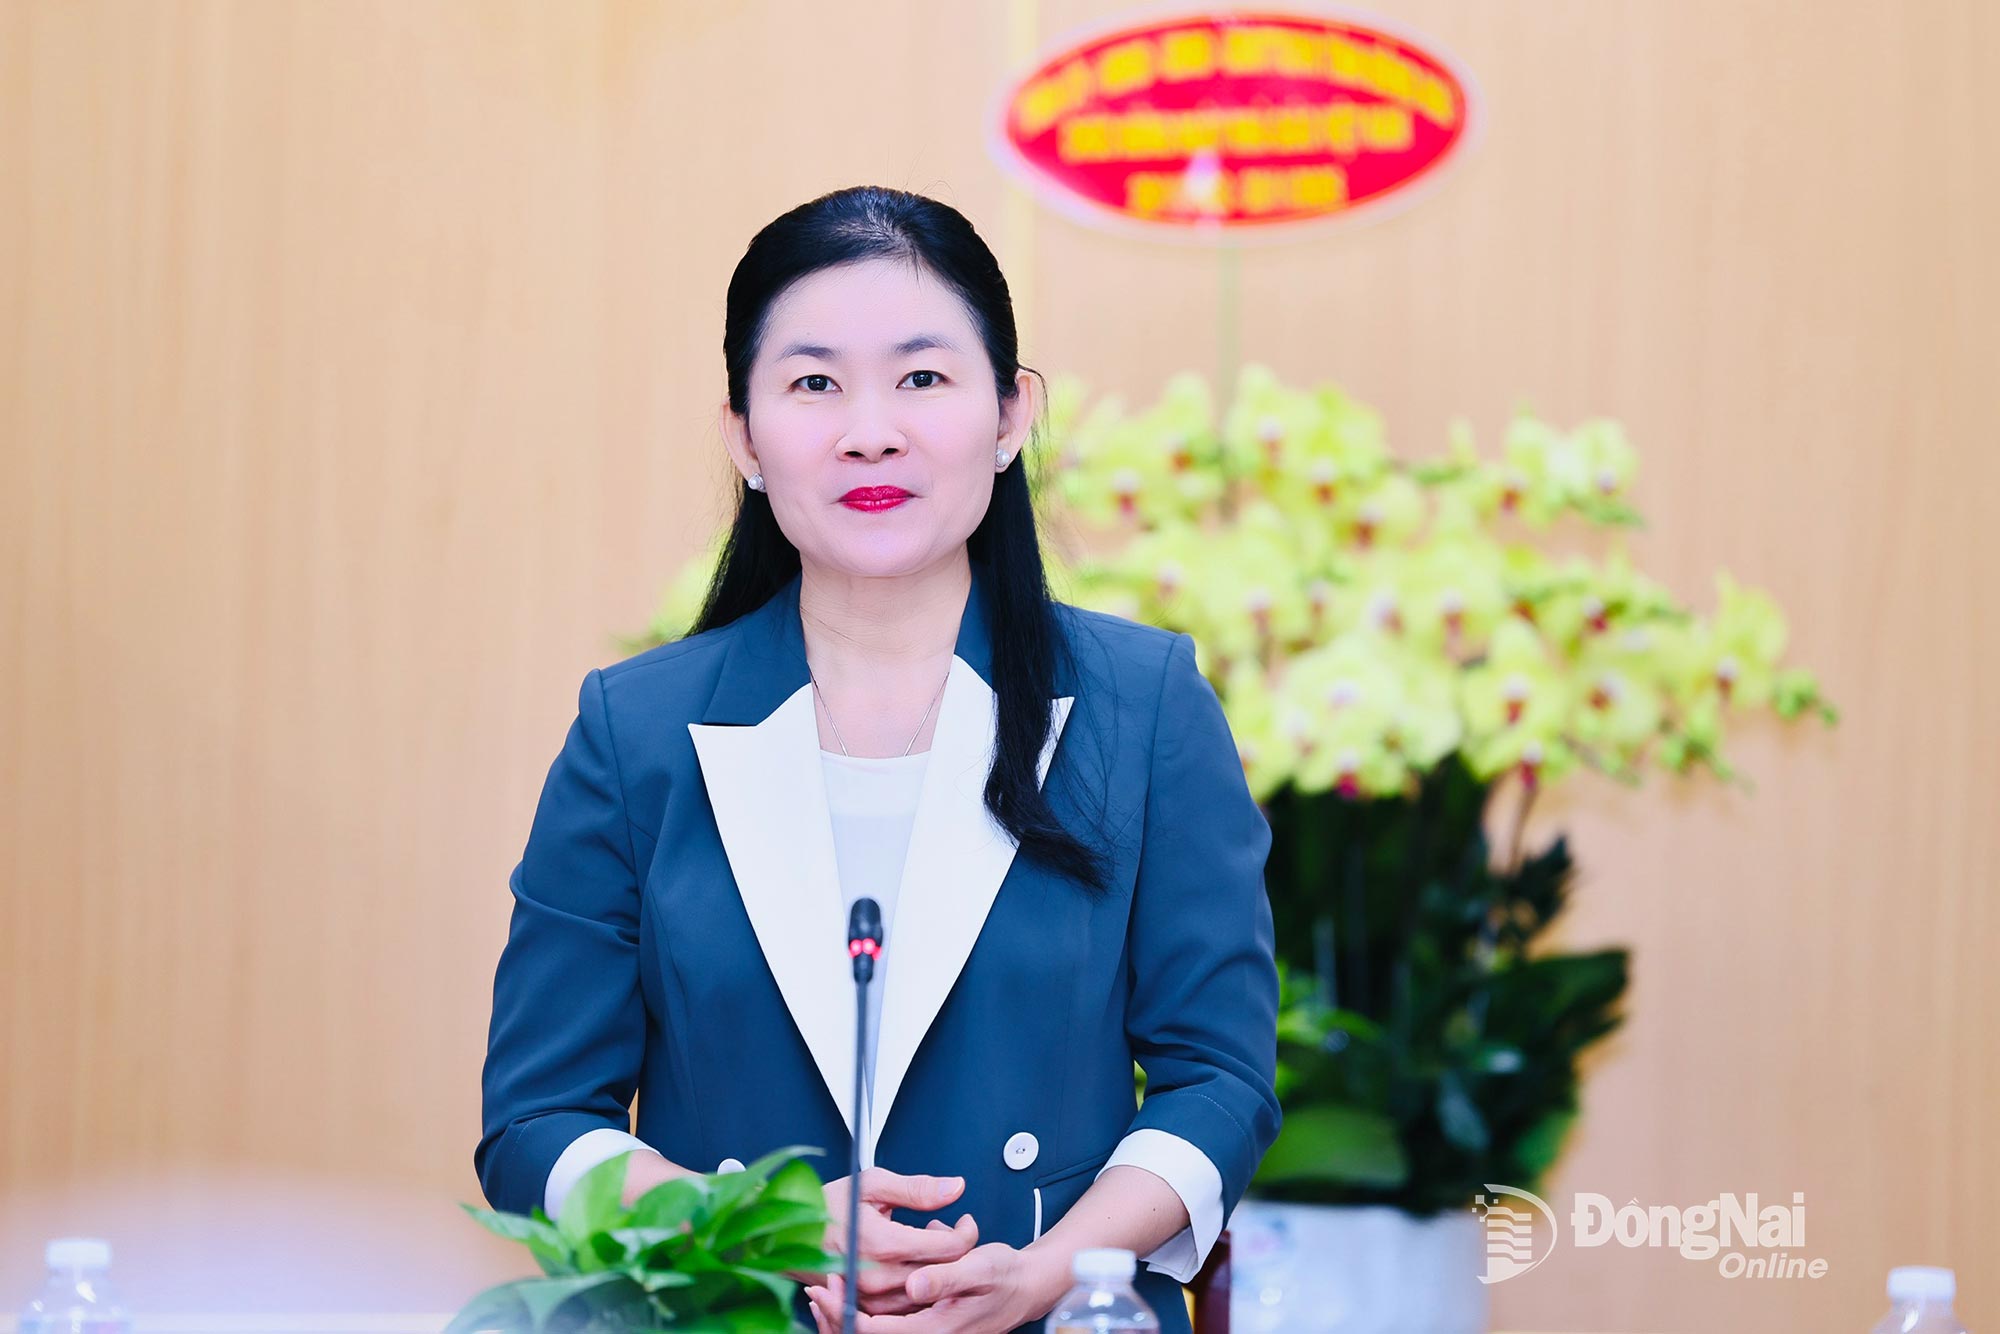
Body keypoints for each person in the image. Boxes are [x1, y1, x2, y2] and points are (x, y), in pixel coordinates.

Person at [476, 186, 1280, 1334]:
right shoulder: (635, 731)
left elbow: (1220, 1080)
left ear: (1009, 415)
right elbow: (538, 1121)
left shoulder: (1139, 707)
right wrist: (755, 1221)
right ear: (742, 436)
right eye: (812, 383)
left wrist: (1045, 1272)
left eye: (921, 377)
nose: (869, 429)